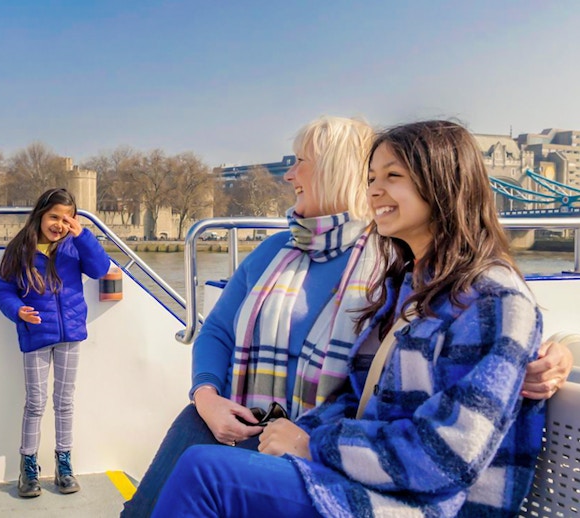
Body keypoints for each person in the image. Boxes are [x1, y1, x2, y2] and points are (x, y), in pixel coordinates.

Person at [121, 116, 573, 517]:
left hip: (396, 485)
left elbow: (450, 446)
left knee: (206, 474)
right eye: (373, 176)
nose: (288, 174)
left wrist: (560, 352)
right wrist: (217, 400)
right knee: (195, 434)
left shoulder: (414, 273)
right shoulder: (406, 282)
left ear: (440, 185)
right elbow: (359, 393)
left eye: (392, 176)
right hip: (318, 445)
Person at [0, 187, 111, 498]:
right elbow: (3, 289)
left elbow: (100, 269)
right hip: (36, 335)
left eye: (67, 219)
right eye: (53, 217)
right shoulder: (20, 249)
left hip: (70, 335)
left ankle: (64, 465)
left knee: (64, 401)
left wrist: (83, 235)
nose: (59, 224)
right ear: (41, 215)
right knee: (35, 403)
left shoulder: (74, 246)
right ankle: (28, 468)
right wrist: (17, 311)